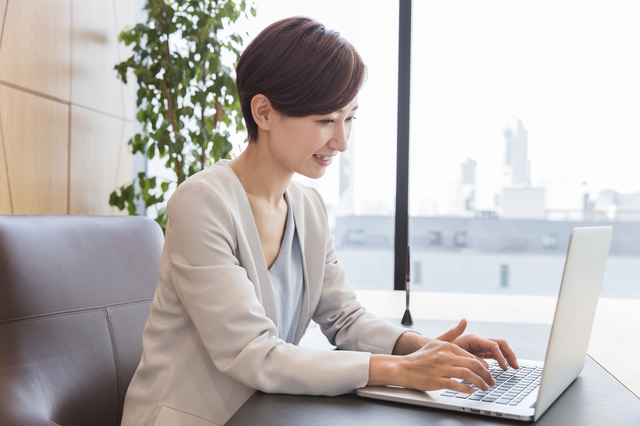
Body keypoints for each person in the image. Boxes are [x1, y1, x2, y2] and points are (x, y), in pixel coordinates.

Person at [120, 16, 519, 426]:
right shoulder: (201, 203)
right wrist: (401, 370)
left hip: (268, 412)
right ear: (264, 112)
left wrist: (424, 348)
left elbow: (344, 318)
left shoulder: (309, 207)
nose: (341, 141)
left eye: (349, 118)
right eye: (326, 120)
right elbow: (252, 352)